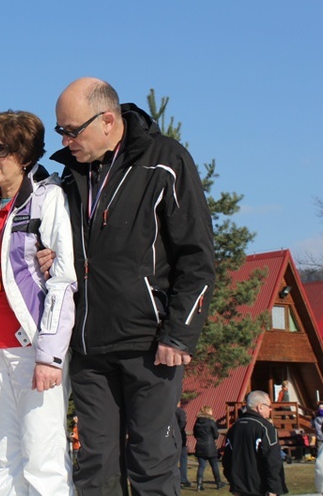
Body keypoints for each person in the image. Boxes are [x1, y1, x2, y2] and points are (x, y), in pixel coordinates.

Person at [39, 77, 215, 494]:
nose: (64, 140)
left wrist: (179, 334)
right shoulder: (71, 176)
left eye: (70, 130)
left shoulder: (166, 160)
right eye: (59, 130)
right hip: (89, 347)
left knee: (152, 459)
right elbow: (72, 249)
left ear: (107, 120)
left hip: (151, 344)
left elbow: (197, 257)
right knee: (96, 464)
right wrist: (52, 257)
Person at [0, 110, 77, 495]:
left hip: (33, 347)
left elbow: (64, 280)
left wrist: (50, 354)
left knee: (42, 459)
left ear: (25, 155)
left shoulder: (49, 198)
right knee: (3, 459)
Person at [222, 390, 288, 496]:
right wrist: (273, 489)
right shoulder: (265, 428)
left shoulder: (234, 427)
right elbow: (273, 461)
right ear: (260, 406)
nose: (270, 409)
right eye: (269, 406)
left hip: (239, 488)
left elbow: (226, 461)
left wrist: (234, 484)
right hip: (261, 489)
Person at [193, 405, 225, 491]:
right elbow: (216, 434)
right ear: (208, 412)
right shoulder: (211, 422)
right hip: (210, 446)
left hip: (200, 445)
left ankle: (199, 484)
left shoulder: (197, 422)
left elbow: (195, 434)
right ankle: (218, 483)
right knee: (214, 465)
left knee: (201, 466)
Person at [176, 403, 192, 488]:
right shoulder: (180, 411)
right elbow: (183, 422)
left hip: (170, 438)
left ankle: (175, 478)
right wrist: (177, 431)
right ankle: (182, 479)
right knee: (183, 460)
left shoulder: (168, 411)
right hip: (180, 438)